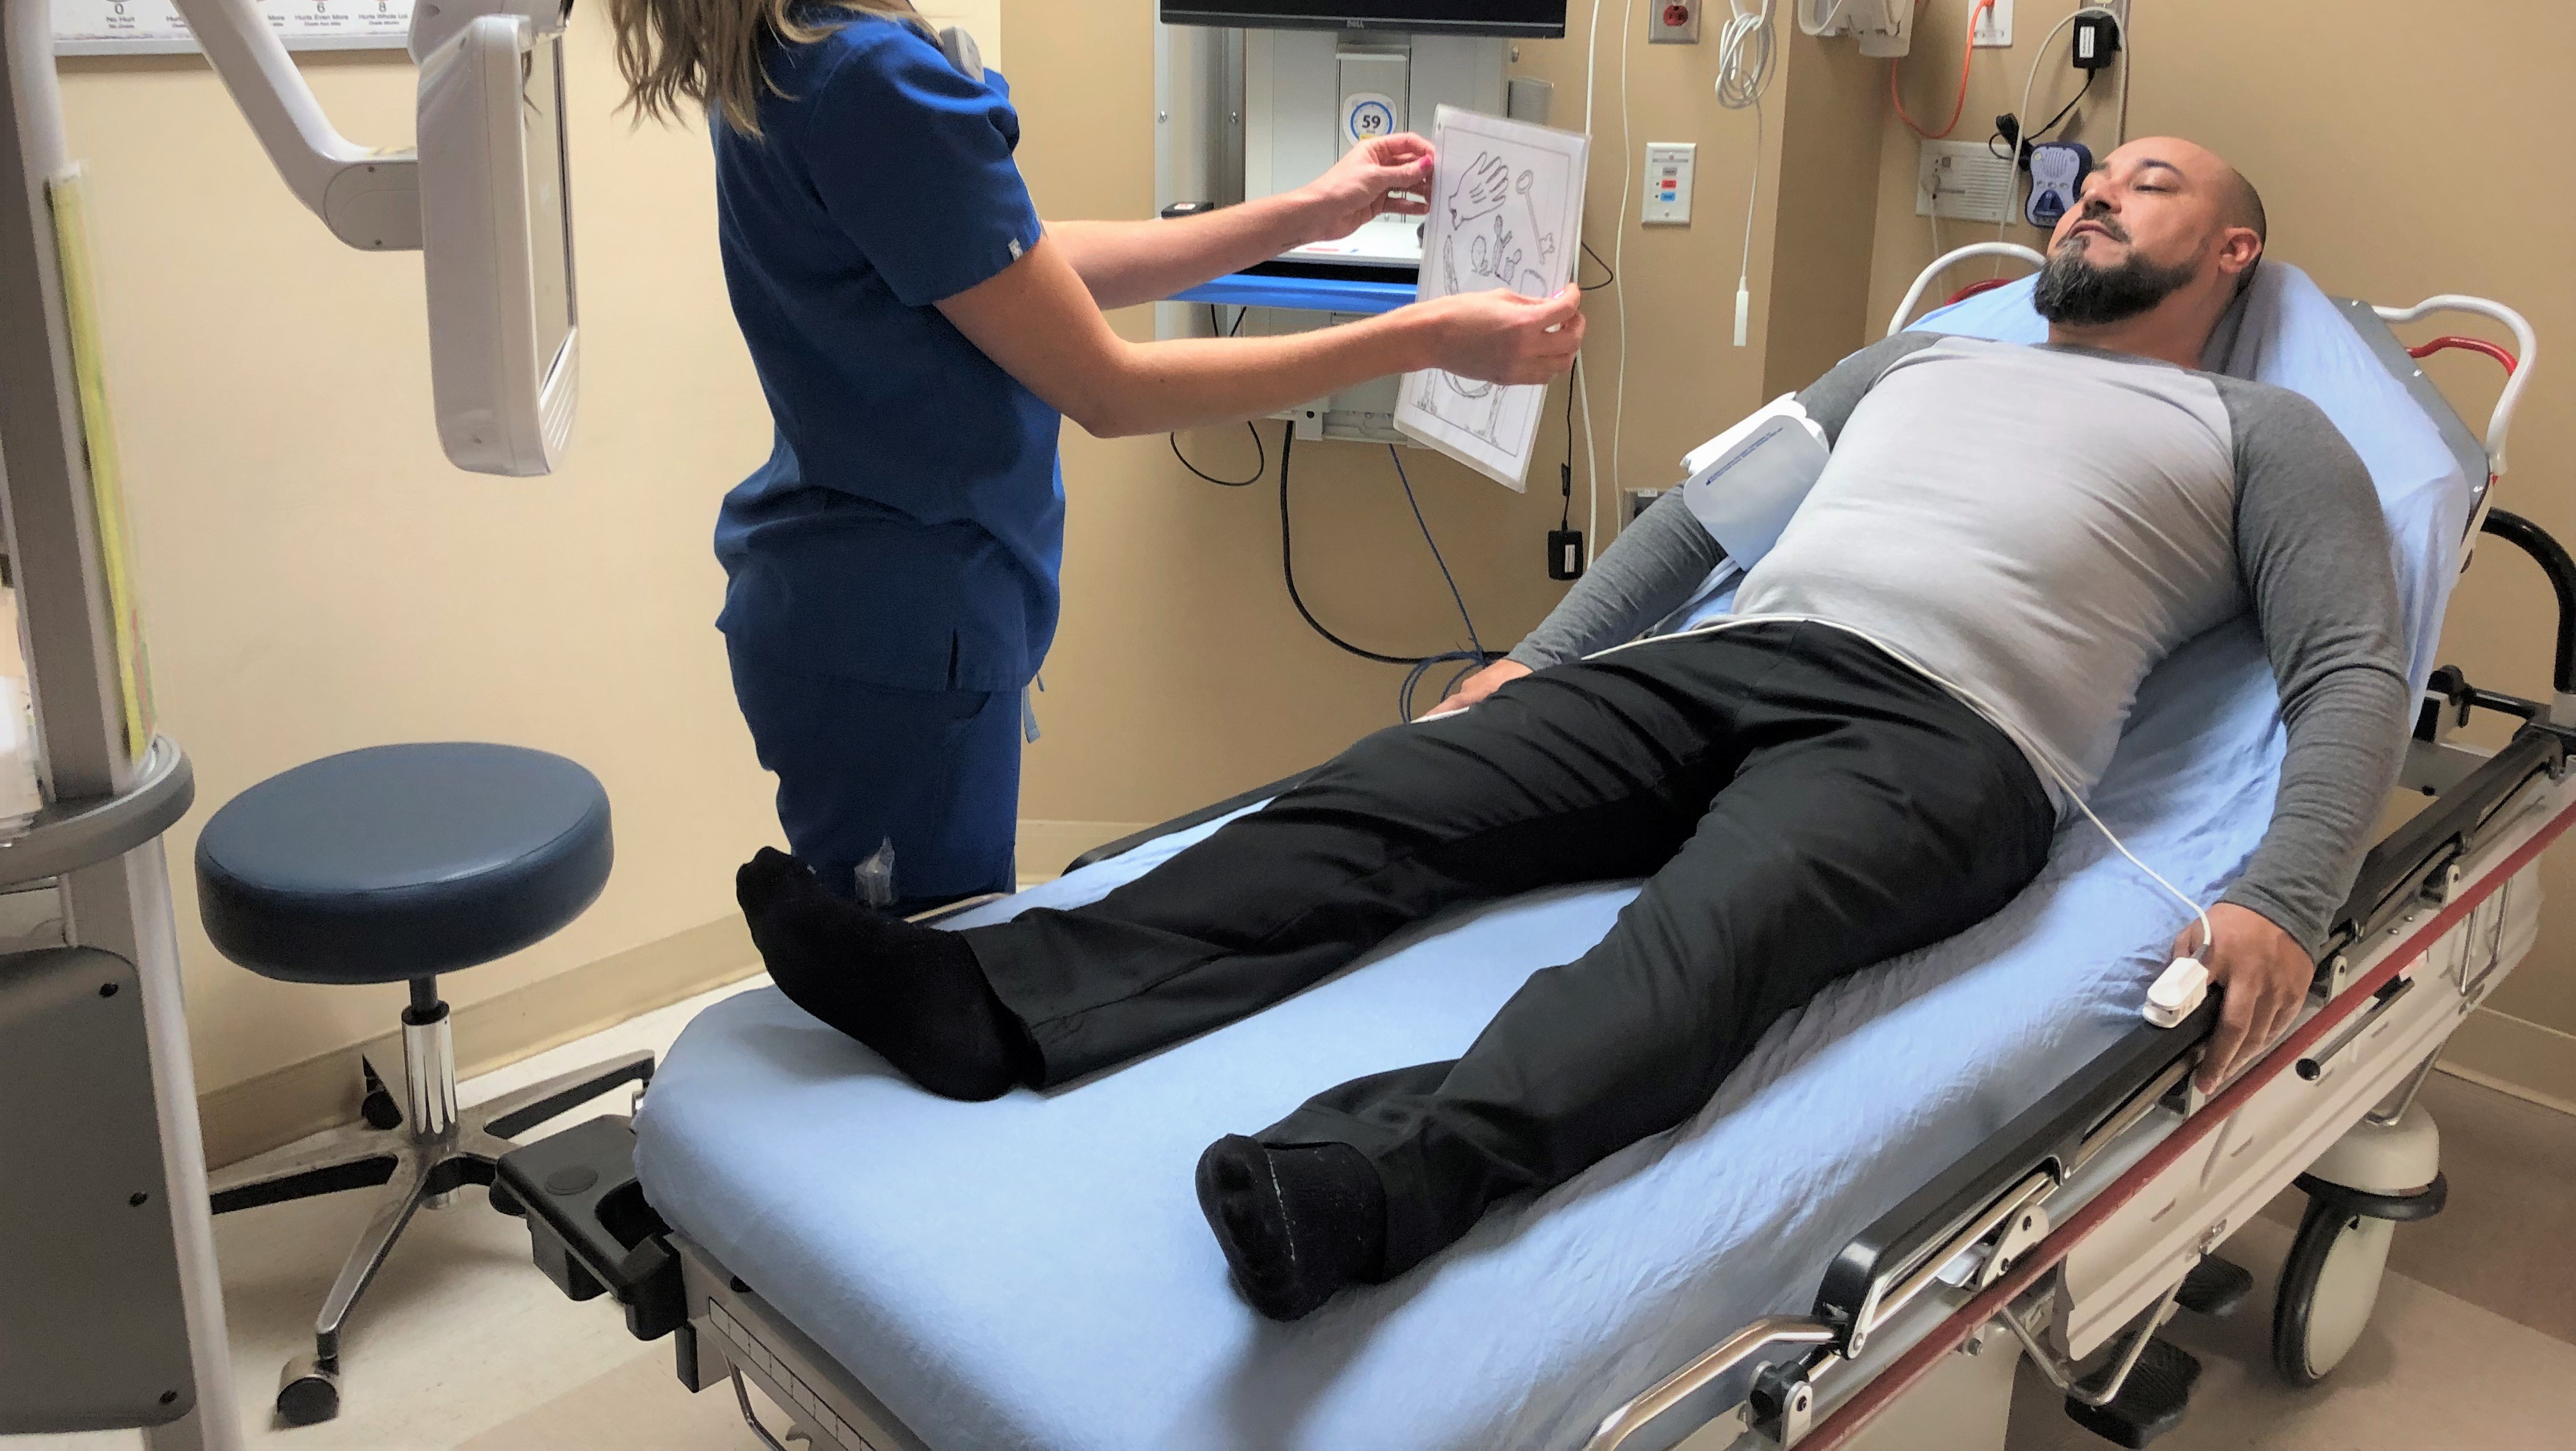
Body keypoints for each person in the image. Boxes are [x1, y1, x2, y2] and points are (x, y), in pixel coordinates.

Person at [735, 137, 2411, 1321]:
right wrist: (1542, 662)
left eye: (2154, 184)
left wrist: (2290, 892)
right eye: (2098, 177)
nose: (2104, 192)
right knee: (1379, 800)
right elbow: (1697, 528)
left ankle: (1381, 1180)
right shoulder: (1907, 362)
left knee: (1703, 951)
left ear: (2233, 253)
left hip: (1951, 747)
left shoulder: (2265, 432)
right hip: (1727, 660)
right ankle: (987, 1000)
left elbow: (2350, 666)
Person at [607, 0, 1581, 912]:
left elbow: (1007, 268)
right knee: (922, 1002)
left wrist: (1306, 210)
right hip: (899, 634)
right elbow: (1110, 389)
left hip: (867, 608)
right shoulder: (870, 77)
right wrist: (1431, 333)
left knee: (915, 970)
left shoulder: (817, 33)